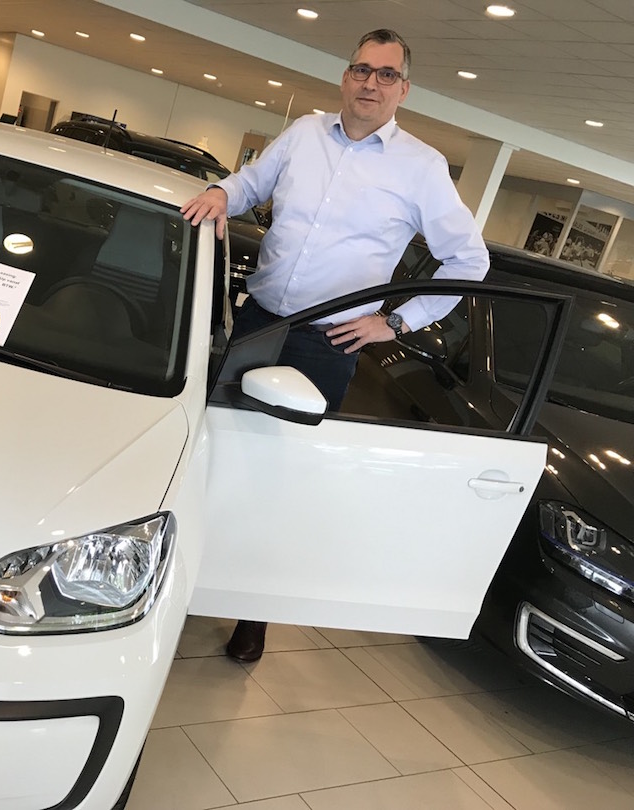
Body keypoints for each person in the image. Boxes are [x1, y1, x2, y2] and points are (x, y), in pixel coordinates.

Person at [180, 28, 489, 663]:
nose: (371, 83)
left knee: (287, 480)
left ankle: (254, 613)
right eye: (361, 70)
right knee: (215, 452)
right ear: (346, 77)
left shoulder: (421, 167)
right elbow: (251, 183)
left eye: (385, 74)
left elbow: (468, 261)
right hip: (259, 324)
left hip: (328, 343)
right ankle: (187, 577)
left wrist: (395, 322)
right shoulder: (304, 134)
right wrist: (220, 193)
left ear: (403, 89)